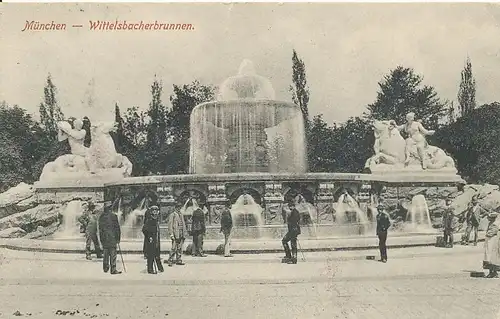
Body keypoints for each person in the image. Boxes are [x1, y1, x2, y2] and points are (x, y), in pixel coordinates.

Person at [98, 203, 122, 275]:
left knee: (105, 253)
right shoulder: (113, 216)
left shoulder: (101, 216)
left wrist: (101, 238)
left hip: (104, 237)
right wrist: (118, 238)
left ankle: (105, 268)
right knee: (113, 253)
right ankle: (113, 269)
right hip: (112, 237)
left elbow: (100, 229)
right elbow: (117, 228)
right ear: (110, 208)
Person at [142, 206, 164, 274]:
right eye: (154, 213)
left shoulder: (156, 221)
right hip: (151, 240)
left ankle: (160, 268)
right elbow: (144, 230)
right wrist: (149, 237)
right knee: (151, 255)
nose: (155, 214)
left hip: (156, 240)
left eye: (156, 213)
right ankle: (150, 269)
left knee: (157, 254)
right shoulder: (149, 221)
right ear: (151, 213)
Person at [483, 212, 499, 278]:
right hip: (490, 241)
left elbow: (491, 233)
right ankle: (493, 272)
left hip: (492, 242)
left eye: (489, 217)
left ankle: (493, 272)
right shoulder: (491, 223)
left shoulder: (494, 224)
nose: (488, 218)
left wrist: (487, 234)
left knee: (491, 257)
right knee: (489, 257)